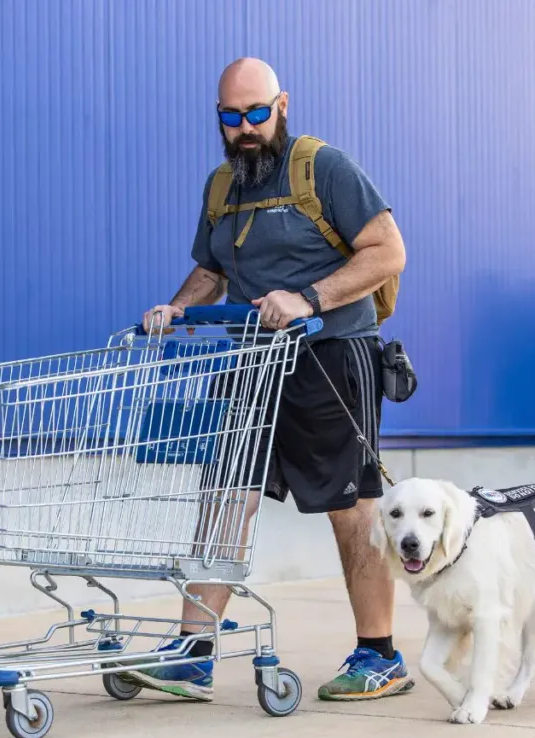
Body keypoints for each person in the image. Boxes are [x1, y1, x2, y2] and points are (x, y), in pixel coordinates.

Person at [124, 57, 412, 704]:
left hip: (332, 356)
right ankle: (193, 652)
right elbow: (211, 268)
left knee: (351, 506)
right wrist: (178, 308)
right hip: (252, 360)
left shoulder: (324, 168)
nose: (246, 128)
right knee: (224, 492)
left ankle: (380, 654)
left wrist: (309, 297)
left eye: (257, 113)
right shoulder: (223, 185)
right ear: (219, 119)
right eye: (232, 117)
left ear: (283, 104)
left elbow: (388, 250)